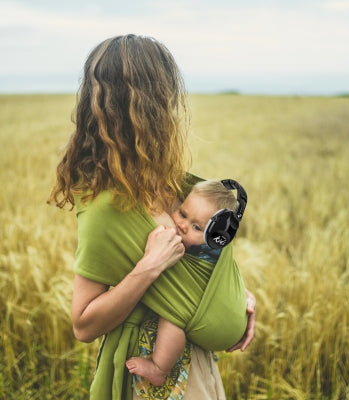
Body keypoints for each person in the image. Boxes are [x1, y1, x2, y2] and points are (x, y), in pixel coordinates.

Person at [48, 34, 256, 400]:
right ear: (151, 105)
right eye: (168, 96)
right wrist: (149, 266)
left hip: (197, 365)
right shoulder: (105, 208)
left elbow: (199, 265)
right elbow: (83, 323)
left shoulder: (172, 184)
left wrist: (234, 297)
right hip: (149, 375)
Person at [125, 180, 239, 386]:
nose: (182, 225)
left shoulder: (209, 252)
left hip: (197, 305)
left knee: (174, 317)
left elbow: (218, 278)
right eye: (183, 213)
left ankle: (159, 368)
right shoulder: (197, 238)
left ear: (217, 239)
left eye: (196, 227)